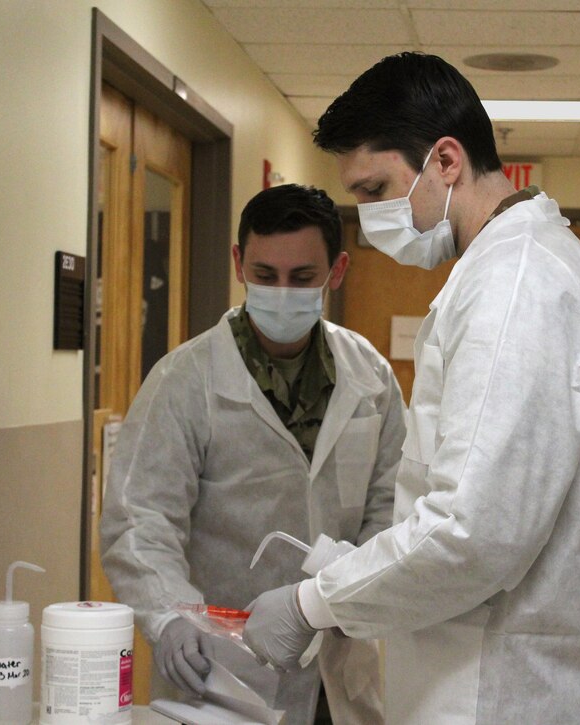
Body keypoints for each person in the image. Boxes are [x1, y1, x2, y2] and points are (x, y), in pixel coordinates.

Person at [242, 53, 580, 724]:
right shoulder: (536, 269)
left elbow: (474, 532)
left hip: (508, 692)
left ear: (446, 161)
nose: (368, 216)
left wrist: (313, 602)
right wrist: (361, 571)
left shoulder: (514, 289)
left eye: (375, 189)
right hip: (533, 677)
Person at [100, 183, 405, 725]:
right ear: (240, 263)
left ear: (336, 270)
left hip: (338, 665)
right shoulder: (185, 380)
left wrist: (345, 598)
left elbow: (392, 511)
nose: (282, 292)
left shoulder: (372, 379)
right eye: (265, 276)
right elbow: (139, 522)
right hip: (220, 670)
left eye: (302, 278)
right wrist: (169, 618)